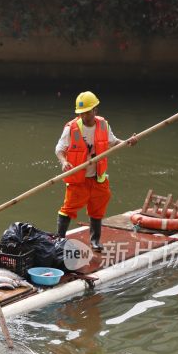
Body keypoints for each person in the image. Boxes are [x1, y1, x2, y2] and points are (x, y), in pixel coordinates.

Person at [55, 91, 137, 251]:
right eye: (81, 113)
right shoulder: (71, 128)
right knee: (69, 207)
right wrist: (64, 162)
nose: (84, 116)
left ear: (95, 110)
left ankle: (95, 241)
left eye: (87, 112)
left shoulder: (103, 125)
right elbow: (59, 149)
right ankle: (60, 240)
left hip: (97, 177)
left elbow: (114, 142)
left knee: (98, 207)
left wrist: (128, 142)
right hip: (78, 178)